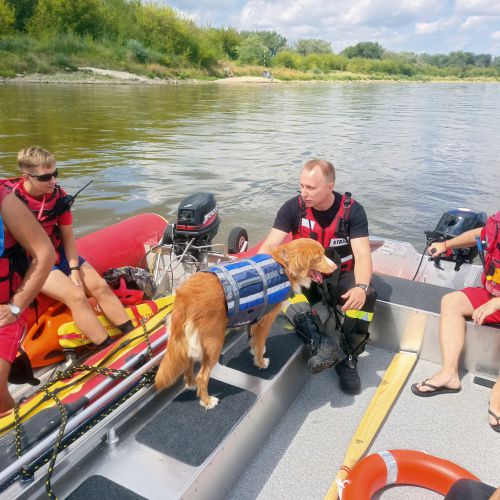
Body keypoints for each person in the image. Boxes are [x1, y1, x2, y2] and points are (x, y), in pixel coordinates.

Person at [259, 159, 376, 395]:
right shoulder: (293, 208)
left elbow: (363, 254)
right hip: (308, 276)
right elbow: (269, 246)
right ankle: (321, 342)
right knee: (283, 288)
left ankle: (350, 359)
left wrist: (361, 287)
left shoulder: (352, 211)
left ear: (330, 186)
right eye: (301, 186)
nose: (304, 193)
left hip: (340, 274)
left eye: (310, 188)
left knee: (369, 297)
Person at [2, 146, 135, 350]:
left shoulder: (58, 196)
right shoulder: (12, 201)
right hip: (31, 260)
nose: (53, 181)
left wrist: (73, 269)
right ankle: (108, 348)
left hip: (57, 252)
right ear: (25, 177)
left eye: (55, 174)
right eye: (45, 177)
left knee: (99, 286)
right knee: (76, 296)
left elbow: (68, 237)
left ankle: (131, 334)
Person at [411, 211, 500, 432]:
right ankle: (449, 374)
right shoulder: (497, 223)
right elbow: (480, 234)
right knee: (451, 302)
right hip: (492, 294)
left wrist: (496, 304)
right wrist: (446, 245)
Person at [0, 188, 56, 413]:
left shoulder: (6, 203)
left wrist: (16, 306)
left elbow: (45, 254)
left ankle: (13, 436)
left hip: (5, 310)